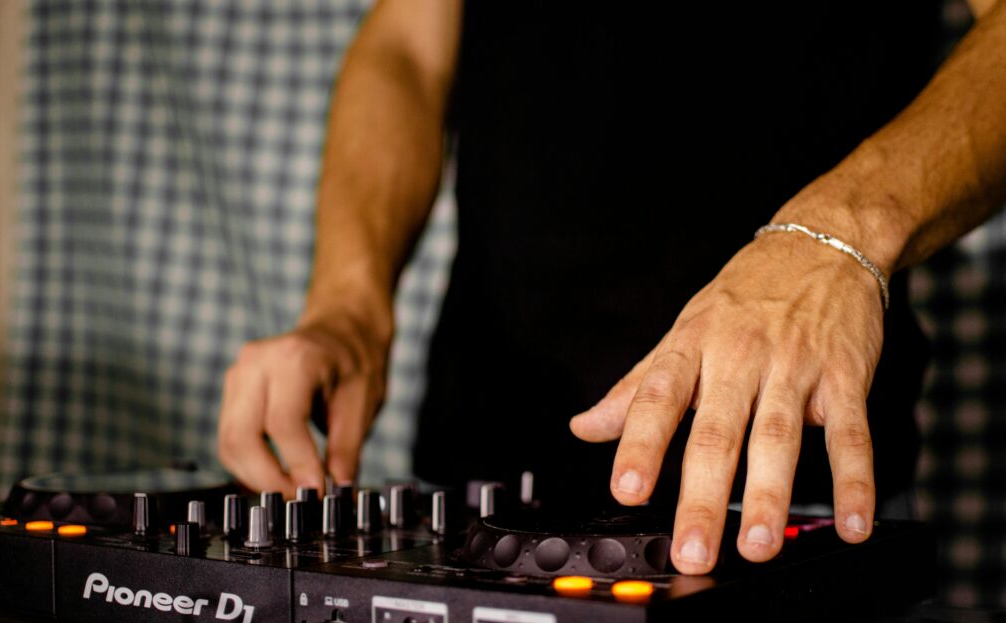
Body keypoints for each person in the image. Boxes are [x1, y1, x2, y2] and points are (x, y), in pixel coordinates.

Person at [218, 0, 1006, 575]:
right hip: (476, 485)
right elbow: (410, 45)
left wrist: (838, 235)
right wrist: (349, 303)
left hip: (791, 495)